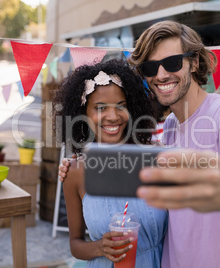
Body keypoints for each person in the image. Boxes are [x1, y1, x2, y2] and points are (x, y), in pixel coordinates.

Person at [60, 21, 220, 267]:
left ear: (195, 62)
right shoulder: (170, 128)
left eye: (173, 62)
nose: (161, 74)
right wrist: (74, 166)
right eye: (151, 67)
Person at [53, 59, 168, 267]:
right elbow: (75, 245)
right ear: (83, 114)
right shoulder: (75, 173)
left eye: (121, 106)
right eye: (100, 108)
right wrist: (99, 247)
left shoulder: (154, 159)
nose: (113, 116)